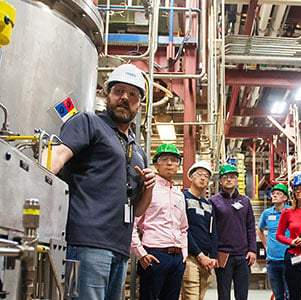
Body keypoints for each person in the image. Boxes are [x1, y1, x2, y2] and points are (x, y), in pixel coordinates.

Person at [47, 64, 156, 299]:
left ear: (140, 104)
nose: (125, 98)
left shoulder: (137, 149)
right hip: (88, 240)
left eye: (133, 94)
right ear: (107, 95)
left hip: (120, 246)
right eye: (118, 91)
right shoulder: (88, 123)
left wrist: (149, 188)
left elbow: (137, 210)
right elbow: (56, 158)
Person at [131, 143, 188, 300]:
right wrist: (141, 254)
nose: (170, 163)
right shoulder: (148, 188)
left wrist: (184, 253)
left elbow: (184, 228)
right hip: (154, 254)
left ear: (178, 165)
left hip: (177, 258)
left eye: (174, 160)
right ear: (156, 164)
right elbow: (132, 223)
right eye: (165, 159)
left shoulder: (179, 195)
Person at [210, 164, 257, 300]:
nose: (229, 180)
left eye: (232, 177)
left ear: (237, 180)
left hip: (243, 256)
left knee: (242, 295)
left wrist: (252, 250)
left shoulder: (245, 201)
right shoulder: (213, 201)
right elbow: (211, 229)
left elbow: (250, 226)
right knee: (224, 295)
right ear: (220, 181)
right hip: (223, 255)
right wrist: (213, 254)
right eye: (225, 177)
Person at [182, 160, 217, 300]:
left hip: (207, 260)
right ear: (190, 176)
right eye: (199, 174)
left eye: (207, 176)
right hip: (190, 257)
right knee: (192, 297)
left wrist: (212, 257)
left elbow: (213, 232)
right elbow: (183, 229)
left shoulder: (208, 205)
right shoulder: (182, 198)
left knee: (199, 297)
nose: (203, 178)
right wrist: (199, 255)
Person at [257, 183, 291, 300]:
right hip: (272, 260)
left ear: (285, 198)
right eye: (273, 194)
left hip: (288, 259)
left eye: (278, 194)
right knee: (278, 294)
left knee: (290, 292)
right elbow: (260, 230)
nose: (275, 196)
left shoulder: (291, 212)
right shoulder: (267, 213)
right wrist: (265, 245)